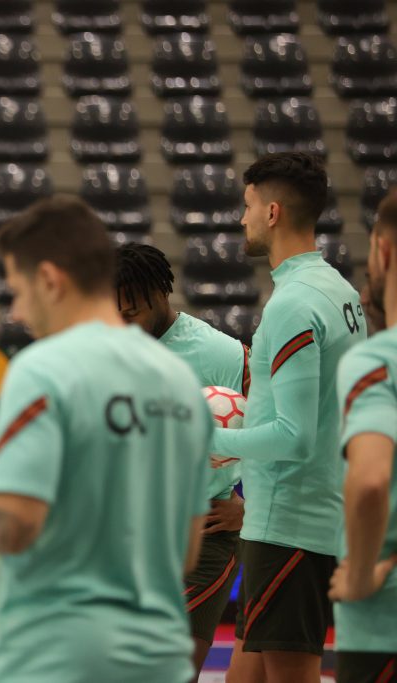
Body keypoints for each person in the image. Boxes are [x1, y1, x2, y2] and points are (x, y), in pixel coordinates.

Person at [0, 196, 211, 683]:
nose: (15, 313)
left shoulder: (43, 370)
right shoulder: (181, 381)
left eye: (17, 291)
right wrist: (1, 579)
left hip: (57, 658)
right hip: (160, 658)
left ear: (51, 281)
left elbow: (15, 528)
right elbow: (183, 552)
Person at [206, 152, 366, 683]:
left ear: (272, 212)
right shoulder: (342, 292)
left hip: (290, 526)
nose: (241, 217)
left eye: (248, 205)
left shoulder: (293, 303)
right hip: (302, 516)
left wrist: (213, 437)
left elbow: (295, 437)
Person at [116, 242, 248, 680]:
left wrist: (249, 509)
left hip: (202, 538)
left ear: (161, 294)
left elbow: (283, 435)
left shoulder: (225, 356)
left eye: (131, 312)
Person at [328, 188, 397, 683]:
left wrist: (358, 575)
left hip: (383, 629)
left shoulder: (376, 361)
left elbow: (371, 481)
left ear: (383, 249)